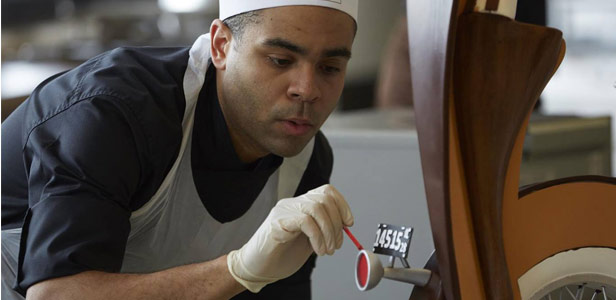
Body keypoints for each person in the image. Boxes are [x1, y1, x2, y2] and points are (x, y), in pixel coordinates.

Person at [1, 1, 358, 299]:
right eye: (280, 60)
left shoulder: (306, 161)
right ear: (220, 46)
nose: (307, 89)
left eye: (329, 68)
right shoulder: (116, 114)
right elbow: (55, 294)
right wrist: (238, 270)